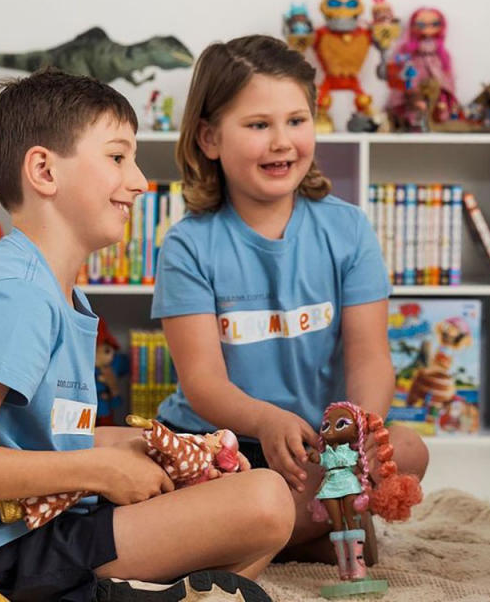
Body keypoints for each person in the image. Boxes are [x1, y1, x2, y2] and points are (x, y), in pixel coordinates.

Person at [0, 68, 292, 602]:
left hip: (35, 528)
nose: (140, 180)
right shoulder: (18, 298)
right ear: (44, 171)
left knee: (253, 499)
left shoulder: (53, 292)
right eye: (117, 156)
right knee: (265, 501)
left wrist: (162, 450)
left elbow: (48, 442)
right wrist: (101, 468)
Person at [151, 34, 429, 562]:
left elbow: (370, 355)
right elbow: (203, 383)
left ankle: (283, 529)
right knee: (246, 498)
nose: (282, 142)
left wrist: (361, 427)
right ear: (209, 138)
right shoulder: (187, 245)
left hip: (318, 451)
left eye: (296, 121)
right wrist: (264, 421)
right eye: (259, 125)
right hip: (223, 448)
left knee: (408, 450)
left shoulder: (347, 229)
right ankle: (307, 525)